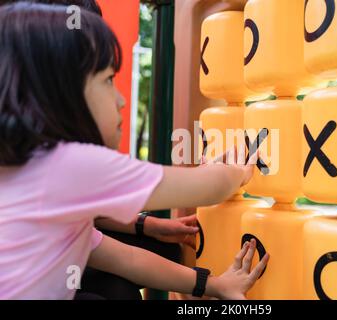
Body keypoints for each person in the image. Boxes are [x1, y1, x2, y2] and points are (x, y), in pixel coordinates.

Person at [0, 2, 269, 300]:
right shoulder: (71, 166)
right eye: (107, 81)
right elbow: (209, 188)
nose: (121, 100)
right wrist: (236, 172)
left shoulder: (40, 194)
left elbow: (128, 260)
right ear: (63, 95)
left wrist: (215, 285)